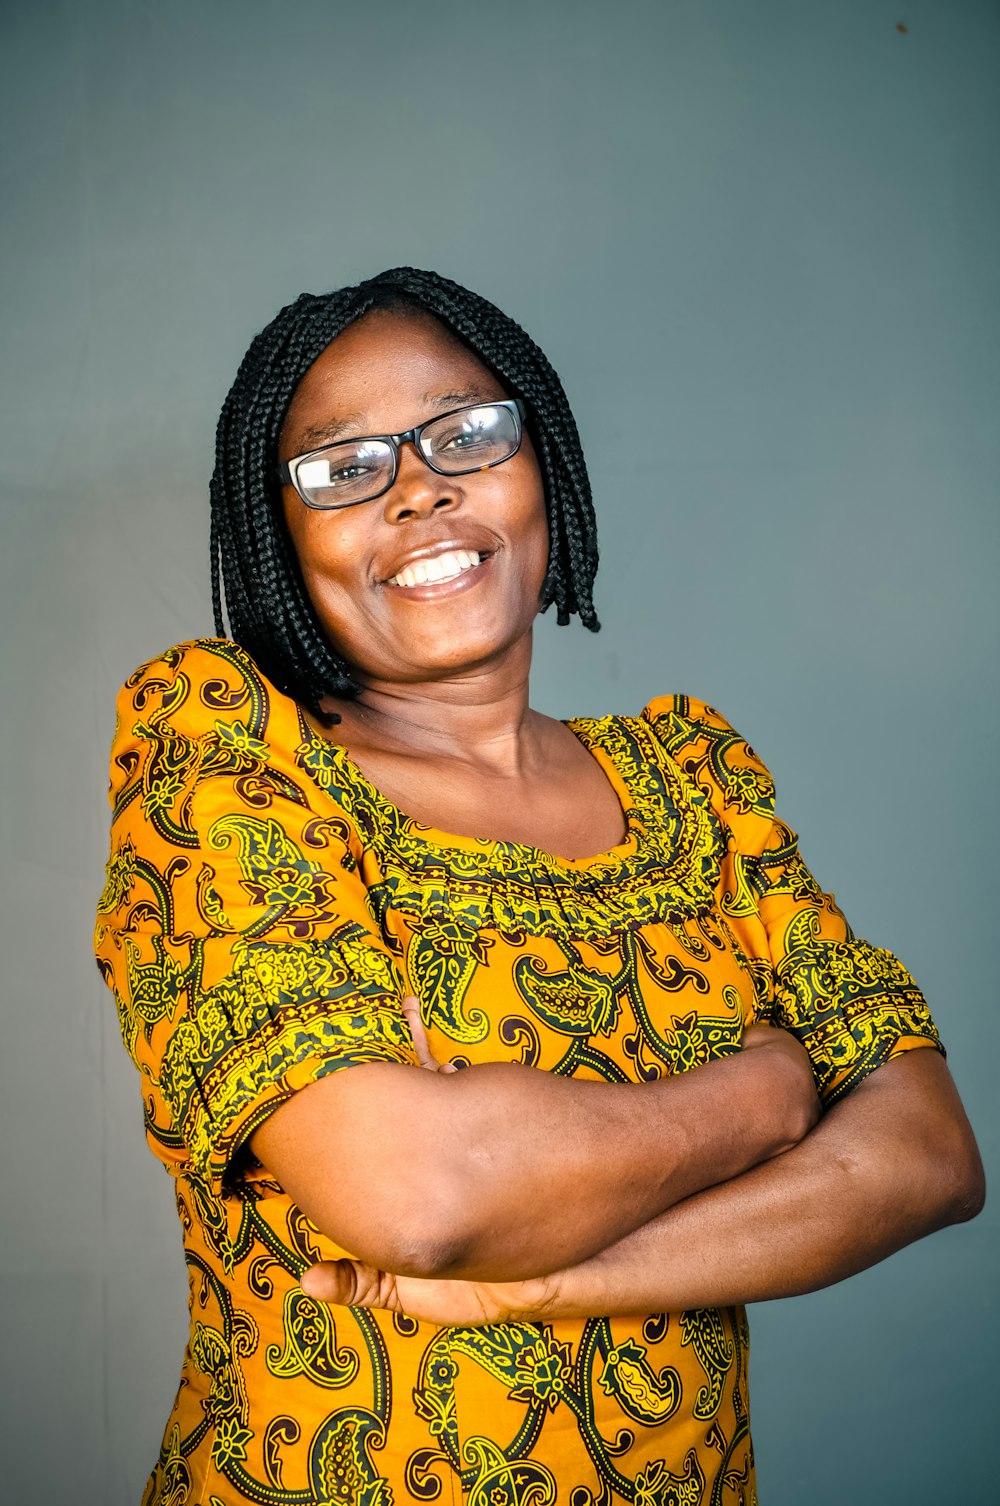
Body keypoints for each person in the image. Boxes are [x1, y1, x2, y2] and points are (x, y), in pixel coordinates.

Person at [94, 266, 983, 1506]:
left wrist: (543, 1279)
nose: (419, 489)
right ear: (276, 530)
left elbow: (928, 1157)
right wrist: (768, 1091)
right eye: (343, 468)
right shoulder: (236, 755)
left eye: (462, 432)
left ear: (540, 463)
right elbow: (416, 1194)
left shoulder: (694, 782)